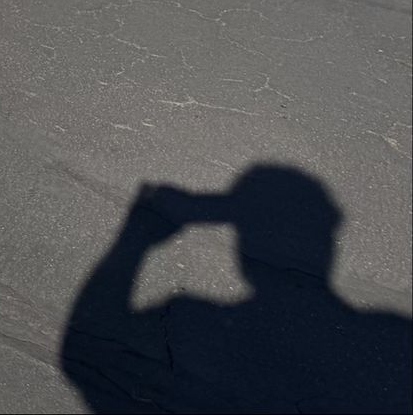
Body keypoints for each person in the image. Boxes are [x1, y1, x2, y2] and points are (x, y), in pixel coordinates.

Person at [61, 165, 411, 413]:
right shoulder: (393, 335)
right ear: (330, 233)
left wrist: (134, 239)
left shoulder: (196, 324)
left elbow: (81, 353)